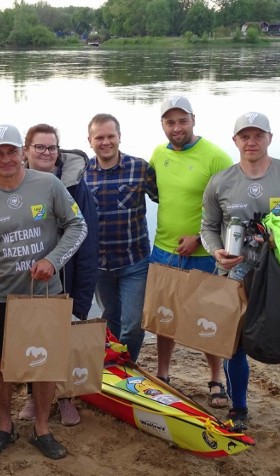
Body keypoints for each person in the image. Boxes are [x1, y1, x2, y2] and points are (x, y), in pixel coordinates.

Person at [0, 124, 87, 459]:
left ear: (23, 152)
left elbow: (77, 225)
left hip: (44, 294)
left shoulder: (49, 184)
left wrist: (53, 261)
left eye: (12, 151)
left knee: (45, 363)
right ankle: (4, 426)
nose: (6, 158)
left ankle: (42, 428)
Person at [201, 112, 280, 429]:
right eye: (245, 136)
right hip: (236, 277)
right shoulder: (221, 181)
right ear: (235, 141)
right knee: (234, 347)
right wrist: (216, 250)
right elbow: (208, 227)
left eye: (258, 135)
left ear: (270, 138)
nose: (251, 141)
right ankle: (239, 409)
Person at [150, 95, 233, 408]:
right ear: (163, 125)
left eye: (182, 120)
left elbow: (232, 207)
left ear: (193, 120)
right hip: (163, 249)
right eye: (170, 122)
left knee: (207, 319)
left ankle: (215, 379)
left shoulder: (216, 157)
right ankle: (163, 373)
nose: (176, 127)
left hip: (203, 253)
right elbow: (160, 195)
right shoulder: (158, 154)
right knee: (164, 317)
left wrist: (200, 237)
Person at [19, 123, 99, 427]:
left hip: (68, 278)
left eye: (51, 147)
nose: (46, 152)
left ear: (59, 151)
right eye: (39, 147)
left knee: (66, 340)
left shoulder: (78, 188)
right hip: (30, 280)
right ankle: (32, 394)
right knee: (33, 339)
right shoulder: (16, 184)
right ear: (26, 150)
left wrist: (82, 298)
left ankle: (66, 397)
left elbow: (89, 244)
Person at [84, 113, 158, 362]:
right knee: (109, 319)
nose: (106, 142)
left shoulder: (140, 168)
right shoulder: (81, 173)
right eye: (99, 137)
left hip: (134, 261)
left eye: (110, 136)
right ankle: (112, 364)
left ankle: (127, 364)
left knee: (134, 324)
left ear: (119, 137)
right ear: (90, 140)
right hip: (99, 264)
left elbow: (168, 199)